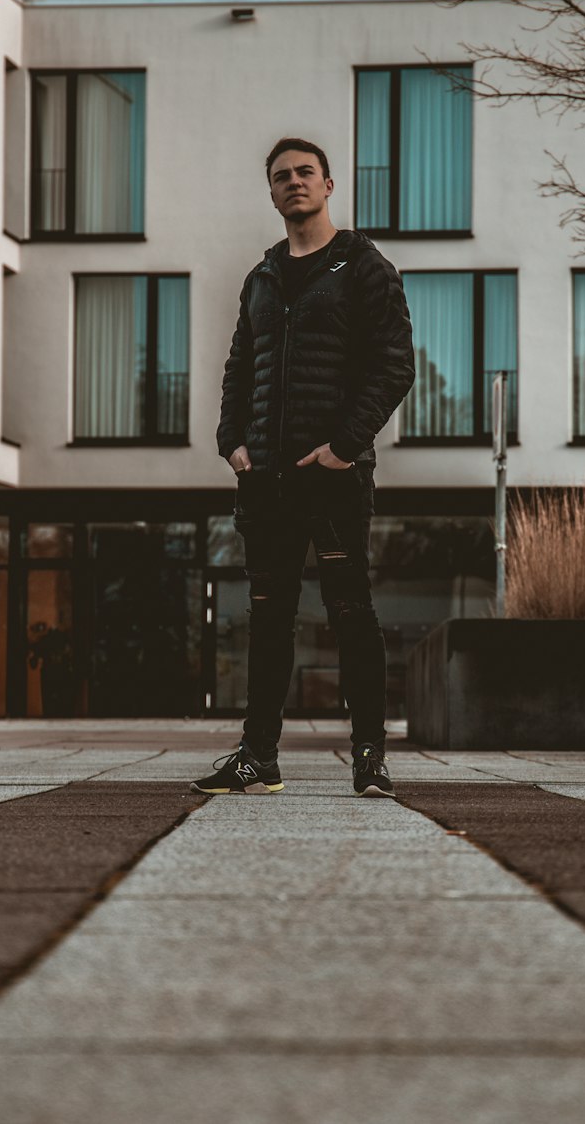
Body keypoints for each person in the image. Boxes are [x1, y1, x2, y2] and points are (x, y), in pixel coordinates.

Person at [191, 137, 415, 799]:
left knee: (351, 611)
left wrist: (344, 446)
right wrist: (231, 439)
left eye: (305, 173)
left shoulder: (364, 266)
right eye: (282, 176)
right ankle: (258, 758)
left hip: (335, 475)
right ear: (272, 191)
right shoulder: (261, 277)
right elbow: (239, 366)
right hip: (266, 483)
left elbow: (394, 365)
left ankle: (370, 758)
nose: (294, 183)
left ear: (329, 184)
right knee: (267, 616)